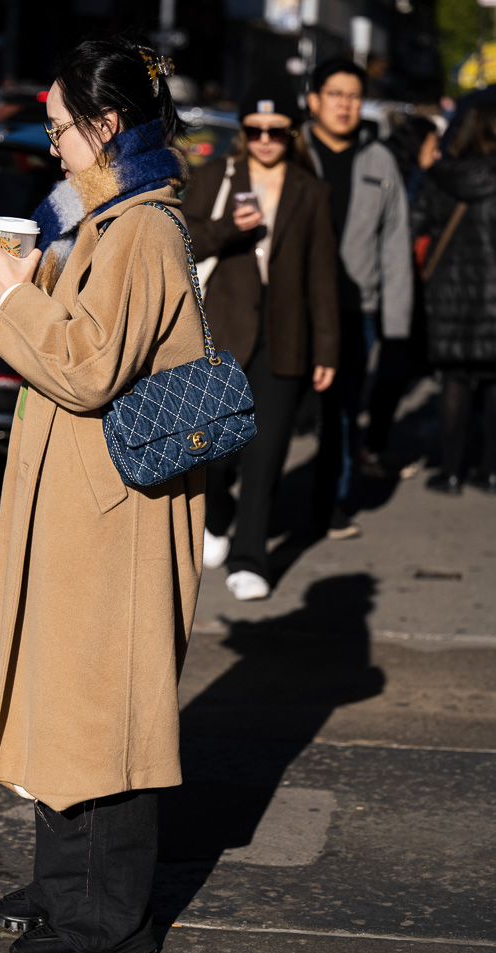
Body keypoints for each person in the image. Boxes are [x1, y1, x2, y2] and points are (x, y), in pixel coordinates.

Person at [0, 39, 205, 953]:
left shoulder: (143, 228)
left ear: (106, 128)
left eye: (63, 127)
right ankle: (69, 888)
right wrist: (15, 282)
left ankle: (113, 918)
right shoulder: (101, 221)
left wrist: (19, 293)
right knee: (69, 698)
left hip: (120, 512)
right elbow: (77, 343)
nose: (52, 142)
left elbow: (90, 369)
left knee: (108, 712)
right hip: (87, 507)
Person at [183, 76, 340, 599]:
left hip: (286, 335)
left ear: (291, 130)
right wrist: (230, 226)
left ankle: (252, 556)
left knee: (267, 452)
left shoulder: (310, 190)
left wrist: (327, 348)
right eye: (255, 129)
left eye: (276, 129)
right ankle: (218, 514)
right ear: (243, 131)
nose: (265, 139)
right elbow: (181, 241)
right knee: (219, 451)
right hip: (223, 333)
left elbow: (322, 274)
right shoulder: (214, 177)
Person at [304, 57, 413, 538]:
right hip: (294, 306)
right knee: (277, 410)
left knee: (342, 413)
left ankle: (331, 502)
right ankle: (255, 506)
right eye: (335, 94)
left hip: (356, 310)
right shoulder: (292, 151)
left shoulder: (380, 161)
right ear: (314, 100)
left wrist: (396, 327)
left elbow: (395, 245)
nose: (345, 105)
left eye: (353, 96)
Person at [412, 103, 496, 495]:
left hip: (448, 299)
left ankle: (449, 472)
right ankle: (490, 470)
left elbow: (415, 226)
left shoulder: (439, 179)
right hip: (493, 298)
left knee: (455, 383)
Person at [360, 115, 441, 478]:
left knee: (388, 370)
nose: (437, 154)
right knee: (386, 370)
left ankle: (370, 447)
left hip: (394, 287)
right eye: (432, 146)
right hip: (386, 286)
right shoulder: (403, 179)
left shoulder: (410, 175)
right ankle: (369, 449)